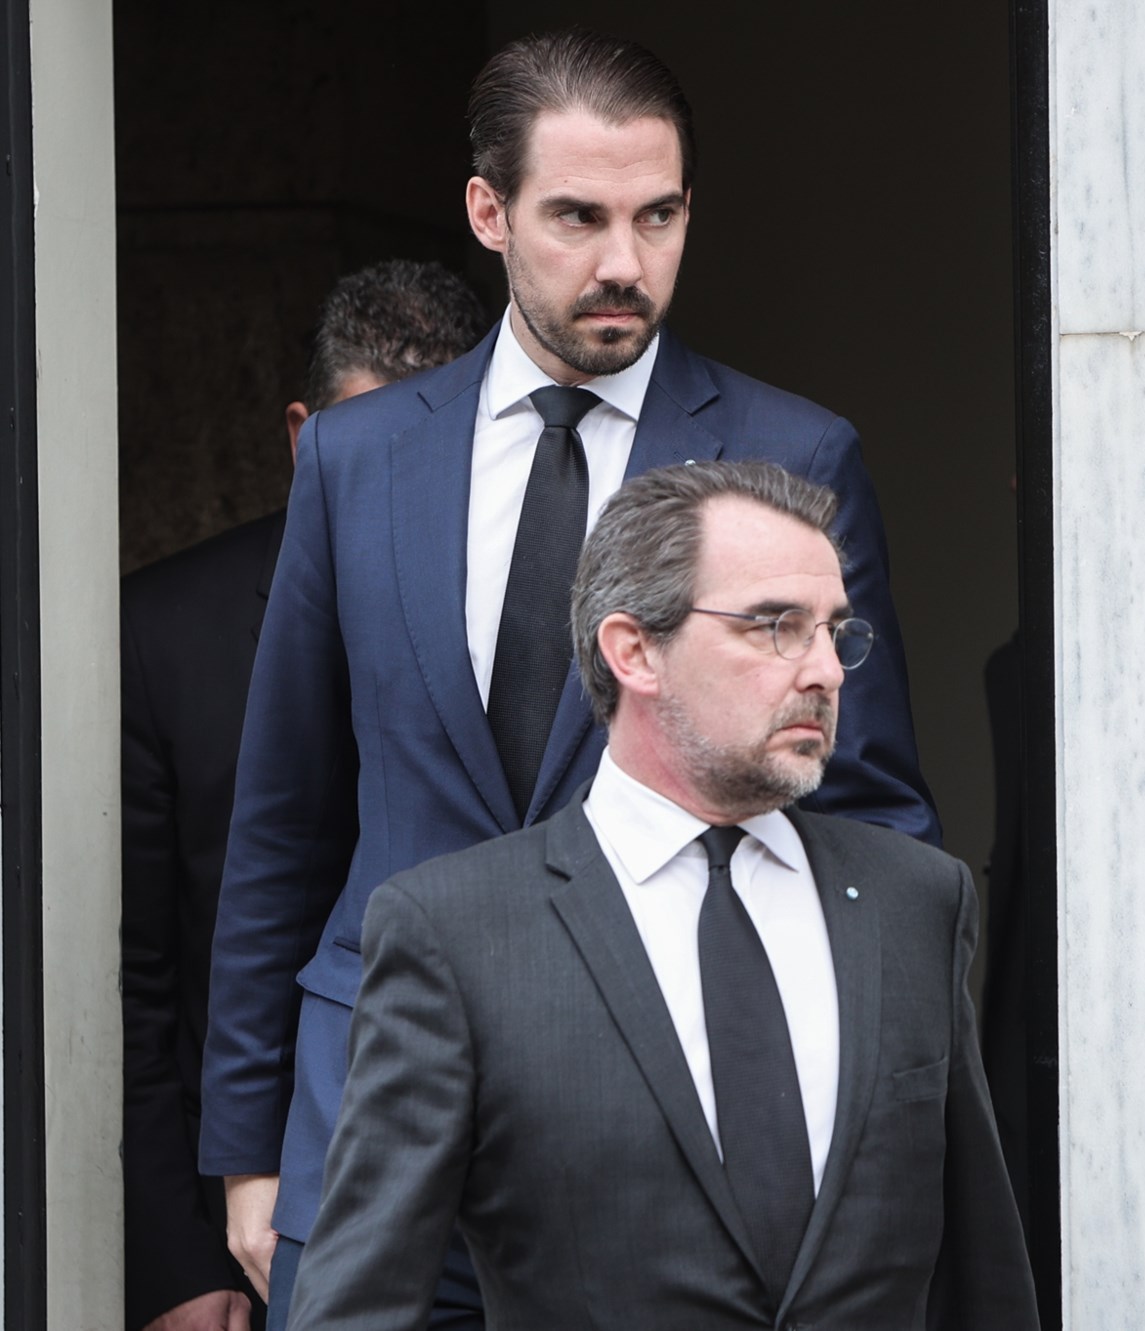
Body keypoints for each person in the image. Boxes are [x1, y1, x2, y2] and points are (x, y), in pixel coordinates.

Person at [199, 30, 941, 1329]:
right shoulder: (357, 460)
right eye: (578, 216)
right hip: (363, 1117)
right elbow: (284, 814)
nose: (623, 262)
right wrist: (250, 1146)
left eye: (658, 216)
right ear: (489, 212)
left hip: (658, 1143)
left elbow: (869, 817)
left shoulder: (790, 452)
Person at [285, 461, 1034, 1329]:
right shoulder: (457, 933)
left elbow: (984, 1278)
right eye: (777, 626)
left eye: (834, 630)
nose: (827, 670)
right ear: (635, 650)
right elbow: (361, 1304)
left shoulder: (915, 900)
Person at [122, 261, 485, 1331]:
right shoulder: (164, 634)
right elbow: (135, 977)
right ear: (303, 438)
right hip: (245, 1227)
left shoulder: (536, 623)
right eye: (371, 448)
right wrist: (176, 1260)